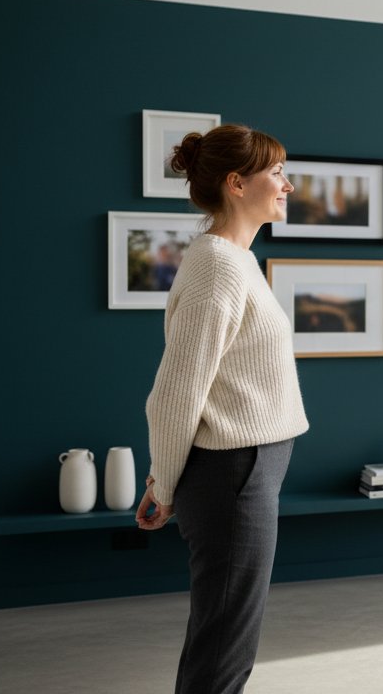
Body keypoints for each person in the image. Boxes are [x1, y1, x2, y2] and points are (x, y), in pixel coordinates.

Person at [136, 124, 309, 694]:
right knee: (224, 639)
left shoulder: (235, 260)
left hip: (247, 467)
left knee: (229, 630)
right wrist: (163, 486)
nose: (287, 184)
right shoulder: (218, 267)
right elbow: (178, 391)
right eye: (276, 173)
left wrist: (164, 476)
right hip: (233, 471)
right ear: (237, 183)